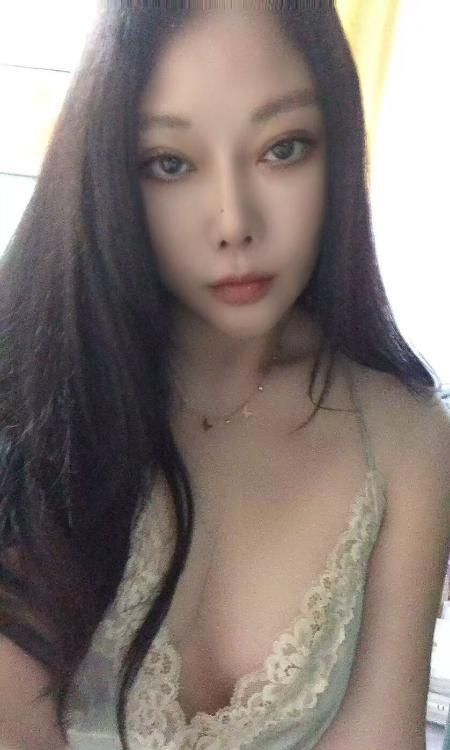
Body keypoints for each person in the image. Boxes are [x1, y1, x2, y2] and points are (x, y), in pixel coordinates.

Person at [0, 2, 449, 749]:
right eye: (170, 163)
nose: (235, 221)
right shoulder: (34, 394)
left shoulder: (405, 438)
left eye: (283, 148)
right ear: (108, 170)